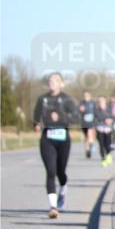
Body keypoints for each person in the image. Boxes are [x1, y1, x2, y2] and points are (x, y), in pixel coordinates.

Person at [33, 73, 76, 218]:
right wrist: (37, 124)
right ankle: (53, 207)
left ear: (61, 84)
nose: (52, 83)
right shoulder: (42, 99)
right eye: (50, 80)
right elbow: (36, 116)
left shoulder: (67, 99)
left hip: (63, 139)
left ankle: (63, 188)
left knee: (60, 172)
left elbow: (76, 117)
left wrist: (62, 117)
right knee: (50, 171)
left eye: (56, 80)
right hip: (47, 139)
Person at [94, 96, 115, 166]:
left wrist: (111, 120)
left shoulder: (109, 109)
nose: (101, 102)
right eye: (99, 101)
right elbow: (95, 120)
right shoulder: (96, 110)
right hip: (100, 129)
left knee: (107, 145)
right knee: (101, 144)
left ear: (105, 101)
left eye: (102, 100)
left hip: (108, 129)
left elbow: (113, 117)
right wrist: (104, 121)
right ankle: (103, 159)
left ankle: (108, 155)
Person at [78, 92, 97, 158]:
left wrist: (96, 120)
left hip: (91, 122)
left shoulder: (93, 103)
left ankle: (91, 145)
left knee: (90, 134)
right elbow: (78, 110)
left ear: (90, 96)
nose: (86, 97)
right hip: (84, 123)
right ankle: (87, 149)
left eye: (87, 95)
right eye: (85, 95)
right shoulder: (81, 103)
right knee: (86, 137)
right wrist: (80, 110)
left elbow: (95, 112)